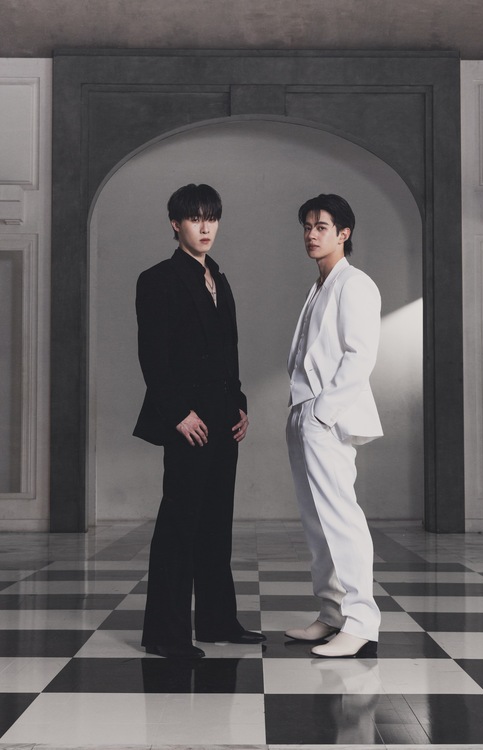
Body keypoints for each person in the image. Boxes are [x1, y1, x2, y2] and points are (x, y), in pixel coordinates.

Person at [134, 183, 265, 659]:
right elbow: (153, 358)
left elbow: (228, 351)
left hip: (223, 417)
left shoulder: (219, 279)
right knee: (179, 524)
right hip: (186, 420)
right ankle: (165, 635)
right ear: (176, 224)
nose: (205, 227)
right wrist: (177, 415)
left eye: (212, 217)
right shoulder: (158, 279)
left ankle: (216, 621)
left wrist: (240, 403)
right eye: (195, 218)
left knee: (216, 523)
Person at [285, 193, 383, 658]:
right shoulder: (320, 285)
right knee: (316, 520)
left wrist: (321, 414)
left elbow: (360, 357)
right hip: (302, 412)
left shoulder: (355, 284)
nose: (311, 234)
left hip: (325, 418)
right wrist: (301, 413)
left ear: (344, 233)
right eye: (307, 226)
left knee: (341, 519)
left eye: (321, 227)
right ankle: (332, 613)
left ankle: (361, 623)